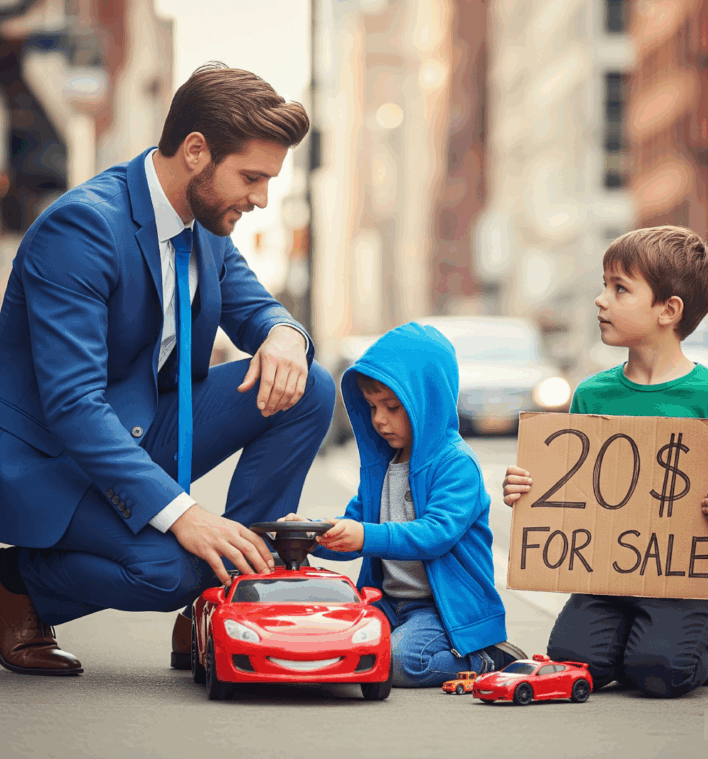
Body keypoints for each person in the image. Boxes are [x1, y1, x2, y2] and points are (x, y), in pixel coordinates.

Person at [0, 63, 335, 676]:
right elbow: (73, 406)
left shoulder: (201, 225)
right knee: (170, 569)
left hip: (139, 427)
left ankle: (228, 594)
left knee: (308, 385)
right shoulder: (83, 229)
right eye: (252, 178)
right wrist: (186, 514)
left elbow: (256, 307)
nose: (261, 199)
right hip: (54, 459)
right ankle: (15, 587)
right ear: (196, 152)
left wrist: (286, 335)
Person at [503, 225, 708, 698]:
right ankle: (634, 638)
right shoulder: (592, 393)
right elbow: (574, 487)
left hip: (685, 579)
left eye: (619, 289)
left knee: (660, 674)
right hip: (604, 573)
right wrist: (529, 488)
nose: (601, 300)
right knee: (576, 664)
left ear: (669, 310)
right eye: (605, 286)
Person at [284, 322, 527, 687]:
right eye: (371, 407)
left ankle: (486, 657)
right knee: (335, 643)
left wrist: (365, 536)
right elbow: (354, 525)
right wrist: (310, 534)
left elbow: (436, 534)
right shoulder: (382, 465)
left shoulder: (456, 464)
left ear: (427, 400)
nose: (379, 420)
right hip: (388, 603)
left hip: (443, 611)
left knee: (397, 662)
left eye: (393, 407)